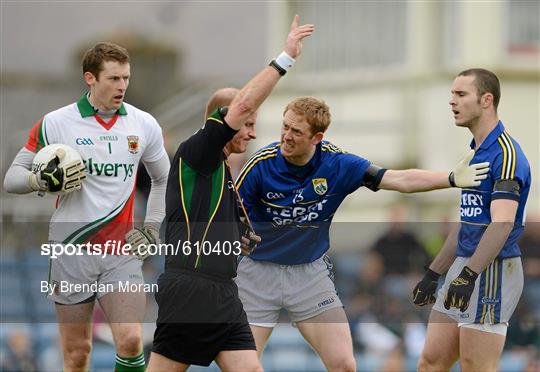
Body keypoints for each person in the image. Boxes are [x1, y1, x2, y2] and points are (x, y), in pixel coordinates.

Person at [234, 95, 491, 371]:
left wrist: (450, 178)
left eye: (296, 131)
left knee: (345, 365)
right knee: (244, 367)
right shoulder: (261, 165)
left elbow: (398, 179)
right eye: (285, 126)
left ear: (316, 137)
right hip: (258, 274)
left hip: (309, 277)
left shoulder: (338, 164)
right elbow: (227, 212)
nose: (286, 136)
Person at [147, 15, 314, 372]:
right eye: (248, 124)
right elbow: (240, 105)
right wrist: (285, 58)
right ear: (221, 121)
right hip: (190, 291)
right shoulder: (198, 152)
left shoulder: (220, 167)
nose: (252, 133)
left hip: (223, 292)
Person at [3, 42, 170, 371]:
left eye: (126, 78)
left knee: (132, 339)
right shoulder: (56, 123)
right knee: (77, 353)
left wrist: (151, 228)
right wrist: (39, 181)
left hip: (120, 253)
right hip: (71, 251)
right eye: (113, 78)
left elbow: (163, 179)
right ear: (90, 78)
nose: (122, 86)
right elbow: (12, 178)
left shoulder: (143, 123)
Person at [412, 68, 531, 372]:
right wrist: (434, 272)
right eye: (452, 94)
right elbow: (468, 221)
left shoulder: (506, 154)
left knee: (476, 367)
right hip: (464, 266)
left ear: (486, 100)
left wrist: (469, 275)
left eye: (461, 94)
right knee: (430, 363)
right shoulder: (473, 154)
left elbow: (502, 224)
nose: (452, 101)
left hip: (490, 271)